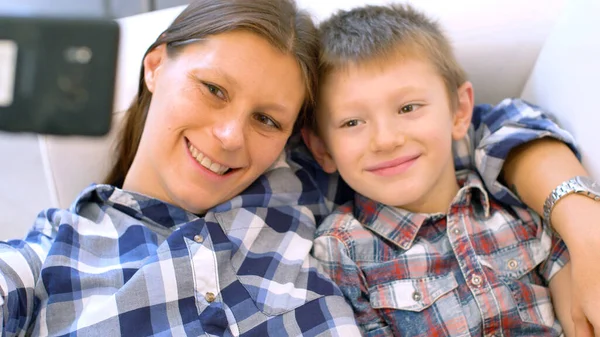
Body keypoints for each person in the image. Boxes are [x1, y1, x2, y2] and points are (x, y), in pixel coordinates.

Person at [0, 0, 597, 336]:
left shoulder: (299, 185)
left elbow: (491, 124)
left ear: (298, 137)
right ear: (156, 67)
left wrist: (587, 232)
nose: (231, 137)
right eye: (212, 89)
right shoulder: (52, 255)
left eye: (267, 120)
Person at [302, 4, 583, 336]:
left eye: (408, 107)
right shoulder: (338, 253)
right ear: (322, 148)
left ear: (459, 112)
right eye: (352, 122)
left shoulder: (515, 202)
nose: (386, 140)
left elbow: (581, 317)